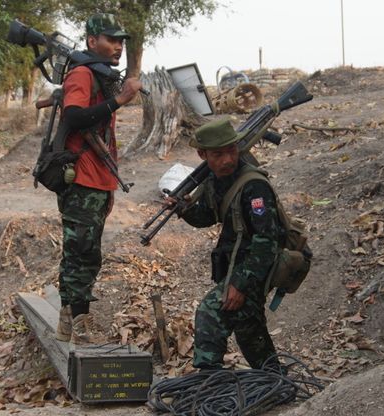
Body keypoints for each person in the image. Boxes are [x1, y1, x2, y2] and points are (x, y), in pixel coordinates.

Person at [168, 118, 286, 370]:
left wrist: (240, 284)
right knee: (249, 329)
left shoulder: (253, 185)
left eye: (231, 151)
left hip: (254, 268)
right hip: (238, 266)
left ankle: (208, 383)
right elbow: (208, 216)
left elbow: (267, 242)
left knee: (210, 314)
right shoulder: (217, 179)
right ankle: (274, 379)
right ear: (203, 154)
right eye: (218, 154)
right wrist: (184, 208)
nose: (227, 160)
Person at [54, 13, 143, 344]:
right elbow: (74, 115)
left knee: (81, 251)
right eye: (112, 40)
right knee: (83, 253)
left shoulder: (99, 75)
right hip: (82, 181)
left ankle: (68, 320)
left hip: (98, 179)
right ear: (92, 41)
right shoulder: (81, 73)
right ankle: (80, 324)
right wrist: (120, 100)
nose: (119, 46)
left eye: (121, 41)